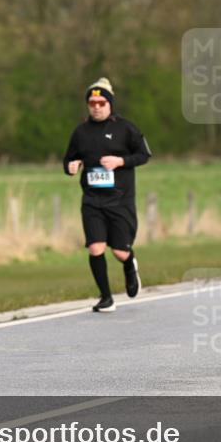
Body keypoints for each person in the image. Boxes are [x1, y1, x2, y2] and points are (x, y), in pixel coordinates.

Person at [63, 78, 151, 311]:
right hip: (92, 200)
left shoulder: (125, 128)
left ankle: (130, 265)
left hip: (120, 200)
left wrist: (120, 161)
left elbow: (144, 154)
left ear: (110, 104)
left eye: (102, 102)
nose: (97, 106)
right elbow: (68, 158)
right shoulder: (80, 132)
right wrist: (71, 166)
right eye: (92, 102)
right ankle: (106, 298)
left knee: (120, 252)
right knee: (95, 248)